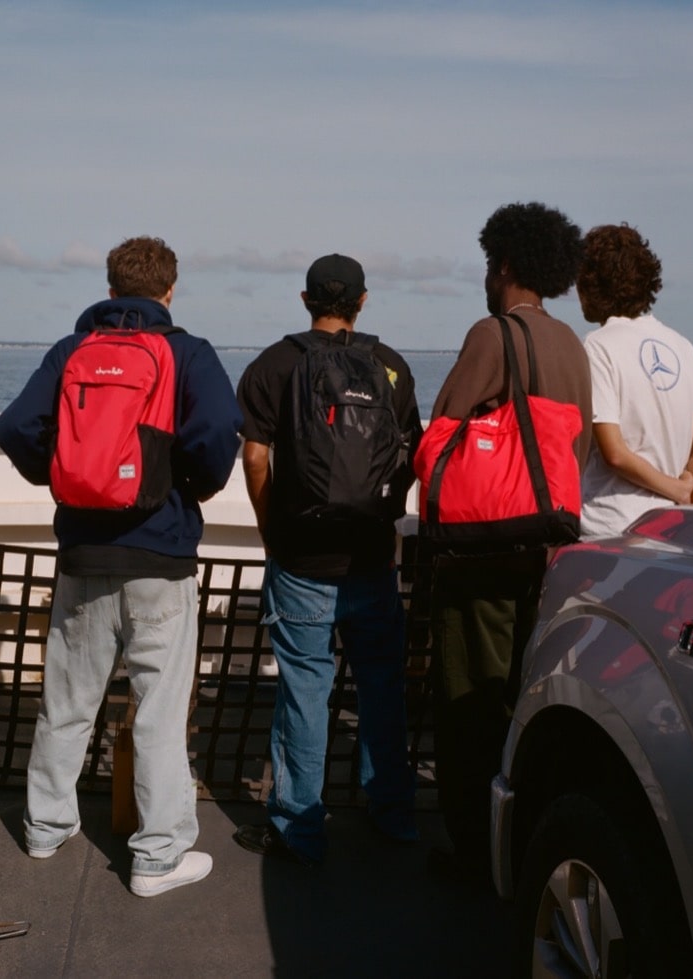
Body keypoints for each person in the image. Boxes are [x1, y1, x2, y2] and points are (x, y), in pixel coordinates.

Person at [0, 236, 241, 896]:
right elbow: (219, 430)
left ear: (109, 290)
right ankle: (157, 856)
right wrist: (185, 479)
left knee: (66, 699)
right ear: (168, 291)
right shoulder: (187, 352)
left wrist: (65, 476)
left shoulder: (72, 350)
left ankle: (46, 827)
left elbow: (16, 425)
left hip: (83, 549)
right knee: (158, 707)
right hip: (160, 552)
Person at [232, 253, 421, 868]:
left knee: (305, 692)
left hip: (302, 559)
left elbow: (256, 460)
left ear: (306, 299)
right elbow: (410, 456)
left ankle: (299, 830)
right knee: (381, 691)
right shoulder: (390, 366)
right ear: (363, 301)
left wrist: (272, 534)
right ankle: (392, 814)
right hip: (371, 557)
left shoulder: (274, 364)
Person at [425, 202, 592, 883]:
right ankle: (525, 842)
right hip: (548, 553)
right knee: (526, 698)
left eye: (492, 264)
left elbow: (441, 433)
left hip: (485, 555)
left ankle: (474, 855)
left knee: (472, 704)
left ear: (508, 266)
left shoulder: (493, 335)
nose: (487, 277)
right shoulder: (572, 346)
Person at [576, 223, 693, 538]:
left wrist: (677, 490)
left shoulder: (597, 346)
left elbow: (614, 452)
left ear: (591, 283)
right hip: (673, 528)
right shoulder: (682, 347)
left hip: (611, 527)